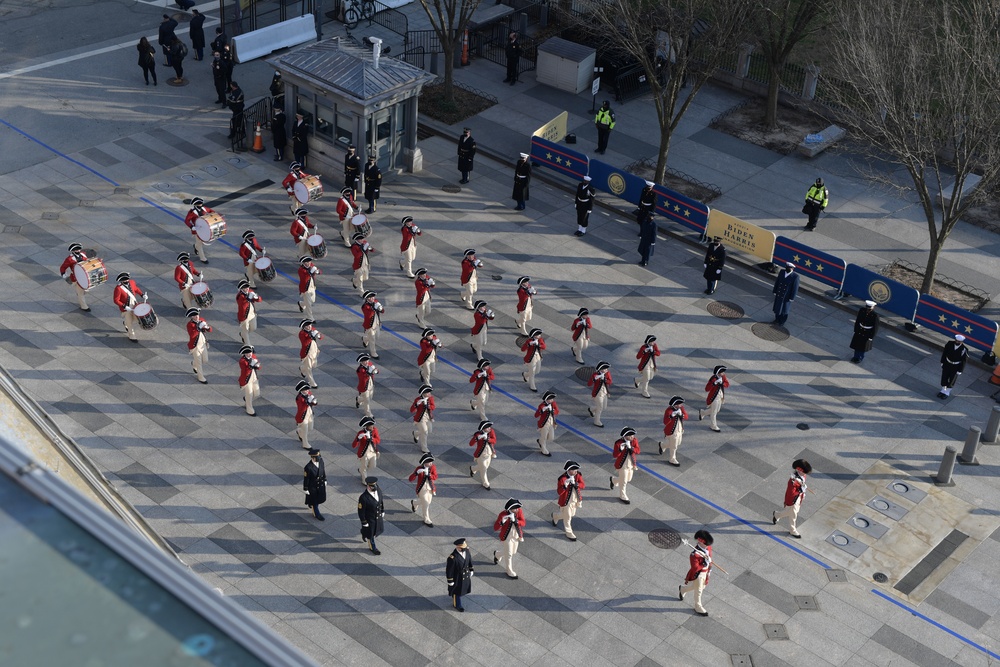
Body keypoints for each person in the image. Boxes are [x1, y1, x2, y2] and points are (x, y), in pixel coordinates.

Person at [773, 459, 812, 539]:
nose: (805, 474)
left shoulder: (802, 475)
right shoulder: (793, 481)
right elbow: (791, 493)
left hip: (798, 497)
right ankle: (792, 530)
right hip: (793, 499)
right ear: (799, 470)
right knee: (793, 515)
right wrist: (801, 490)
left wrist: (802, 489)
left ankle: (777, 515)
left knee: (790, 512)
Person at [678, 529, 713, 617]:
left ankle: (683, 589)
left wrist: (709, 563)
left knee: (701, 586)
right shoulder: (694, 554)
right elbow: (695, 568)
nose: (707, 546)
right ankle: (698, 606)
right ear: (700, 542)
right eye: (705, 544)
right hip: (699, 574)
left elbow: (710, 555)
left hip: (706, 571)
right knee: (699, 590)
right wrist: (704, 563)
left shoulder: (708, 547)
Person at [552, 461, 584, 541]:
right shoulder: (562, 478)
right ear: (569, 470)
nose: (576, 471)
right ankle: (568, 532)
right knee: (568, 517)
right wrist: (564, 486)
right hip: (566, 501)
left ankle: (555, 516)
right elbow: (559, 492)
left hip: (575, 499)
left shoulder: (578, 475)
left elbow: (583, 485)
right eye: (574, 470)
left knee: (571, 514)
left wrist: (577, 484)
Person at [493, 498, 525, 579]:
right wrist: (502, 522)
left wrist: (516, 521)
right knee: (509, 554)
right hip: (507, 537)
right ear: (510, 509)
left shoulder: (519, 511)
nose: (517, 509)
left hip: (516, 535)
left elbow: (523, 523)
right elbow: (496, 528)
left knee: (513, 552)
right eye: (515, 508)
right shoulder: (502, 514)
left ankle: (497, 554)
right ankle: (509, 570)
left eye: (517, 508)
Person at [112, 272, 146, 342]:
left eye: (127, 279)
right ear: (121, 281)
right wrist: (124, 306)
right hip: (126, 309)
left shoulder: (132, 282)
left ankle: (125, 323)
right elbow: (116, 300)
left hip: (134, 304)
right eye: (125, 280)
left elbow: (136, 289)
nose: (126, 281)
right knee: (130, 322)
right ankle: (131, 335)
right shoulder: (118, 289)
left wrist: (142, 295)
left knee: (137, 319)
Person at [609, 427, 639, 504]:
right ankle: (622, 495)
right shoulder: (618, 443)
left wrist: (632, 448)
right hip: (622, 465)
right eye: (631, 435)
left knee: (628, 479)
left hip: (631, 464)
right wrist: (620, 449)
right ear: (625, 436)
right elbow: (615, 455)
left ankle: (614, 480)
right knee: (624, 481)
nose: (633, 436)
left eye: (633, 435)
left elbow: (638, 450)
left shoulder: (634, 441)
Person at [59, 243, 92, 311]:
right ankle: (84, 307)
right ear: (73, 251)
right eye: (76, 249)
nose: (78, 250)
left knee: (86, 290)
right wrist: (64, 275)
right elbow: (63, 267)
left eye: (79, 249)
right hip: (76, 277)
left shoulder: (83, 254)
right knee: (81, 293)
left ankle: (79, 293)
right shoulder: (69, 259)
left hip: (84, 276)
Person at [358, 477, 385, 556]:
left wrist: (382, 510)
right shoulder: (363, 498)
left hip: (378, 517)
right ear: (368, 486)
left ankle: (364, 532)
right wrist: (364, 522)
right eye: (372, 486)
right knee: (371, 534)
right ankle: (373, 548)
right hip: (370, 519)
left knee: (378, 530)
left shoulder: (378, 490)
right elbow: (361, 511)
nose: (374, 488)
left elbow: (381, 501)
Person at [409, 453, 437, 527]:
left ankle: (414, 503)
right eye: (429, 462)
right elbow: (410, 479)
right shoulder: (419, 468)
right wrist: (416, 473)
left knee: (428, 502)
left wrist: (430, 475)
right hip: (422, 488)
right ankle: (426, 519)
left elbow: (435, 477)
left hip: (430, 488)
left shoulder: (433, 467)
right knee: (426, 503)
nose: (431, 463)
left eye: (431, 462)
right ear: (424, 462)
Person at [184, 197, 215, 263]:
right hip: (197, 230)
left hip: (205, 229)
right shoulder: (192, 212)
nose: (201, 204)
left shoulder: (204, 208)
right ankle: (203, 258)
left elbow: (212, 211)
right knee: (200, 244)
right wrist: (192, 227)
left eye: (201, 203)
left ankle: (195, 246)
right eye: (199, 203)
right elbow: (186, 220)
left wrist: (211, 216)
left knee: (201, 242)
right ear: (196, 204)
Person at [446, 539, 474, 612]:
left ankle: (456, 597)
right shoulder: (452, 558)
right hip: (457, 577)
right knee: (457, 591)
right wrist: (450, 580)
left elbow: (469, 560)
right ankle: (457, 605)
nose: (464, 549)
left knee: (463, 589)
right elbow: (449, 570)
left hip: (465, 574)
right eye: (462, 548)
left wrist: (471, 569)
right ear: (458, 547)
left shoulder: (466, 551)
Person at [698, 366, 728, 433]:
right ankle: (713, 425)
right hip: (714, 397)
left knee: (717, 410)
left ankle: (703, 412)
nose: (723, 373)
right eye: (722, 372)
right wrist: (714, 383)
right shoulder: (713, 378)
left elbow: (727, 384)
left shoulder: (723, 377)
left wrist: (722, 383)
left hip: (720, 396)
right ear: (718, 373)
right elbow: (707, 389)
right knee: (714, 412)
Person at [469, 420, 497, 490]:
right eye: (488, 427)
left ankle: (473, 469)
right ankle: (486, 484)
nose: (490, 428)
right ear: (484, 428)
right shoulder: (478, 434)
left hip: (489, 453)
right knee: (484, 469)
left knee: (485, 467)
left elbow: (494, 440)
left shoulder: (491, 432)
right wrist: (476, 438)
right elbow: (471, 444)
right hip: (481, 455)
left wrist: (488, 439)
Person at [659, 396, 688, 467]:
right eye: (680, 404)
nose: (681, 405)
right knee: (674, 446)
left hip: (680, 430)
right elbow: (665, 422)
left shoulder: (681, 408)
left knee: (677, 443)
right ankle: (672, 458)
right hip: (672, 431)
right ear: (675, 404)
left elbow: (686, 416)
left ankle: (662, 445)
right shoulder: (669, 410)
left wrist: (682, 415)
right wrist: (671, 416)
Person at [186, 308, 211, 385]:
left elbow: (210, 330)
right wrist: (198, 327)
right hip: (195, 346)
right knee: (199, 363)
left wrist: (207, 327)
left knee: (205, 360)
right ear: (191, 317)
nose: (196, 316)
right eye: (194, 315)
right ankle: (201, 377)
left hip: (203, 344)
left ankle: (194, 363)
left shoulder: (201, 320)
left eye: (197, 315)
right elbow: (192, 335)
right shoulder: (190, 325)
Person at [938, 334, 968, 399]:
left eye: (959, 342)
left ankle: (947, 392)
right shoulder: (949, 343)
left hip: (956, 366)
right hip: (947, 363)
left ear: (962, 342)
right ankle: (943, 390)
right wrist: (942, 362)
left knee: (952, 379)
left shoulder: (964, 349)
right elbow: (944, 353)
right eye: (956, 341)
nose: (957, 342)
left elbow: (964, 361)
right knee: (944, 377)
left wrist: (960, 370)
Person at [352, 417, 380, 485]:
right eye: (371, 426)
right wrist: (358, 439)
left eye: (372, 426)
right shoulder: (361, 433)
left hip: (372, 452)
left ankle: (361, 470)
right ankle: (364, 480)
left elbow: (378, 440)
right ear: (367, 427)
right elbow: (354, 445)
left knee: (373, 466)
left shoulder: (375, 430)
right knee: (364, 467)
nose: (372, 427)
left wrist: (372, 439)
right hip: (364, 453)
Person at [771, 262, 799, 326]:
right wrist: (775, 290)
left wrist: (792, 298)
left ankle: (782, 321)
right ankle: (777, 319)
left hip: (786, 296)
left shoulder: (795, 277)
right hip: (779, 293)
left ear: (792, 269)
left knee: (784, 310)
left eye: (789, 268)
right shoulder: (782, 272)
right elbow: (777, 282)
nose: (787, 269)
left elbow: (795, 288)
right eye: (787, 267)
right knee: (777, 307)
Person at [410, 384, 435, 453]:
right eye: (428, 392)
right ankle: (424, 448)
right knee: (424, 432)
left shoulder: (430, 398)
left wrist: (428, 406)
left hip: (428, 417)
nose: (430, 394)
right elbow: (412, 410)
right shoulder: (418, 399)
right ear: (424, 393)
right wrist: (416, 404)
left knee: (429, 430)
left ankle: (416, 434)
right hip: (420, 419)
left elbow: (433, 407)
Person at [303, 448, 327, 521]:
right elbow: (306, 479)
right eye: (316, 458)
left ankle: (311, 504)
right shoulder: (308, 467)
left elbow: (323, 471)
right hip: (313, 487)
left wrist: (325, 479)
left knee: (320, 498)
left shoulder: (321, 461)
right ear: (313, 458)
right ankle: (317, 514)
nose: (318, 459)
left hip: (321, 484)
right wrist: (306, 488)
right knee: (315, 501)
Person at [236, 279, 261, 346]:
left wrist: (256, 297)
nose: (247, 289)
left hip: (252, 314)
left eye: (247, 287)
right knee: (245, 331)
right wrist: (249, 298)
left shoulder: (250, 291)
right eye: (245, 288)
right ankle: (248, 346)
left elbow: (259, 300)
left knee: (253, 328)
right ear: (241, 288)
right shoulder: (239, 296)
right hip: (244, 316)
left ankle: (242, 334)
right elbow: (243, 305)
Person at [298, 318, 322, 389]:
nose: (309, 327)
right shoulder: (301, 333)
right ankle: (312, 383)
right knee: (308, 369)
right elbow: (304, 344)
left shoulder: (312, 329)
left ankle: (302, 368)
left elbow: (320, 336)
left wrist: (318, 335)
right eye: (307, 326)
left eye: (310, 325)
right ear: (304, 327)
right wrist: (311, 336)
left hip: (314, 349)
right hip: (307, 353)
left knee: (314, 365)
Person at [634, 334, 660, 399]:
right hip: (645, 365)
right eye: (652, 341)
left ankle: (637, 380)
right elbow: (638, 357)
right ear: (649, 342)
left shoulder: (654, 346)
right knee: (647, 378)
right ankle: (644, 391)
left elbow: (658, 353)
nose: (654, 343)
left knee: (650, 377)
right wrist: (644, 351)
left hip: (652, 364)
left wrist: (654, 352)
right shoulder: (643, 347)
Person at [237, 344, 261, 416]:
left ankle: (246, 399)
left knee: (257, 393)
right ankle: (249, 409)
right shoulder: (242, 361)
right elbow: (245, 372)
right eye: (247, 353)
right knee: (249, 394)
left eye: (250, 352)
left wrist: (257, 366)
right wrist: (250, 366)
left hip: (254, 377)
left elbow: (259, 366)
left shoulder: (253, 356)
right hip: (246, 380)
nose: (249, 354)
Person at [587, 361, 612, 427]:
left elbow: (610, 381)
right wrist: (594, 378)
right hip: (598, 394)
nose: (606, 370)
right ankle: (597, 421)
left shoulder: (607, 373)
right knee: (600, 408)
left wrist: (605, 380)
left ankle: (592, 409)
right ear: (600, 369)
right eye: (605, 369)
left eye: (607, 369)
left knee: (604, 407)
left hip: (605, 392)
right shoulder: (595, 375)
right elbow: (589, 384)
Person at [294, 380, 318, 450]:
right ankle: (305, 444)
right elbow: (302, 407)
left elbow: (313, 402)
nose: (308, 391)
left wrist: (314, 401)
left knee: (310, 428)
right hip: (302, 416)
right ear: (301, 390)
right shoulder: (299, 398)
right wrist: (308, 401)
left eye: (308, 389)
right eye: (306, 389)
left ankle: (299, 431)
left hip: (309, 412)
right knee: (305, 431)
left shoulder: (308, 393)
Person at [521, 328, 545, 393]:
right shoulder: (529, 341)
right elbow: (523, 349)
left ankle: (525, 374)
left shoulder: (540, 340)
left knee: (537, 371)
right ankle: (532, 386)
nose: (540, 335)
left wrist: (539, 345)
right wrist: (529, 344)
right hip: (531, 358)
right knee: (532, 373)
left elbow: (544, 346)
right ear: (534, 335)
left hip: (538, 357)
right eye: (538, 334)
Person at [535, 391, 558, 457]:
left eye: (552, 399)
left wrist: (553, 411)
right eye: (550, 399)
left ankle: (540, 441)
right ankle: (544, 450)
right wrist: (542, 410)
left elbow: (557, 411)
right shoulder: (541, 406)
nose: (552, 400)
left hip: (551, 423)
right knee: (544, 437)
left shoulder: (553, 403)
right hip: (544, 424)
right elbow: (536, 415)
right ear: (546, 399)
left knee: (551, 437)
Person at [297, 255, 321, 321]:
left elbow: (319, 271)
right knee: (309, 305)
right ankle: (310, 317)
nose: (308, 263)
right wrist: (311, 272)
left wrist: (317, 271)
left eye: (309, 261)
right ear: (303, 263)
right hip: (305, 289)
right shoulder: (301, 270)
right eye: (306, 262)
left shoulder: (311, 265)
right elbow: (304, 278)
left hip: (312, 286)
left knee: (312, 300)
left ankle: (301, 304)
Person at [361, 290, 383, 359]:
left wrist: (380, 308)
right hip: (369, 326)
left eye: (373, 297)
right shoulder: (365, 306)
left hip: (376, 323)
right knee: (372, 339)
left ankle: (365, 339)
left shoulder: (375, 302)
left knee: (377, 336)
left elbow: (382, 311)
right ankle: (373, 353)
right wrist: (373, 308)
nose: (373, 298)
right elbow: (368, 316)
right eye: (370, 297)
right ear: (367, 298)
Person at [356, 353, 378, 418]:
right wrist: (369, 373)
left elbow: (375, 369)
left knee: (370, 397)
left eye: (367, 360)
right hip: (364, 386)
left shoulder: (369, 364)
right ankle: (368, 414)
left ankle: (358, 400)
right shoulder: (360, 369)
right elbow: (363, 378)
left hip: (370, 384)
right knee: (367, 401)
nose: (367, 362)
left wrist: (375, 371)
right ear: (361, 362)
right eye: (365, 361)